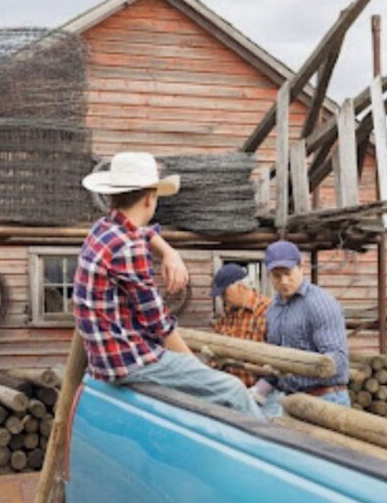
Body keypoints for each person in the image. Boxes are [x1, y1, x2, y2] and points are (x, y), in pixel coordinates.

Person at [73, 152, 264, 419]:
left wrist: (168, 251)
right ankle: (268, 449)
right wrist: (197, 368)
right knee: (231, 389)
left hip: (104, 358)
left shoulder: (102, 229)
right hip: (128, 361)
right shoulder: (129, 248)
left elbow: (142, 231)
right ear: (151, 198)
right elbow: (159, 324)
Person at [255, 240, 350, 414]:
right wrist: (262, 387)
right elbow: (277, 359)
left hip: (326, 399)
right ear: (269, 275)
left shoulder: (320, 303)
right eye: (277, 276)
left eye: (288, 273)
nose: (284, 281)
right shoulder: (273, 309)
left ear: (301, 267)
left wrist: (299, 368)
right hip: (291, 399)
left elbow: (338, 361)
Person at [210, 263, 270, 387]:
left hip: (261, 392)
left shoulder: (268, 311)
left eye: (224, 293)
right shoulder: (225, 316)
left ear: (241, 287)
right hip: (230, 390)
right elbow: (215, 353)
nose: (222, 298)